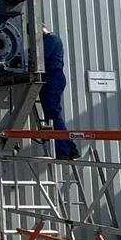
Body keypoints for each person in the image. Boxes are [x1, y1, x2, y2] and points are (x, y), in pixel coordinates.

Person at [41, 27, 80, 160]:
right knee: (51, 114)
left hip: (53, 77)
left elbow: (41, 56)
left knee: (53, 113)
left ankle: (63, 150)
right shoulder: (51, 39)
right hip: (49, 77)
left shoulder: (51, 39)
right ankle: (69, 146)